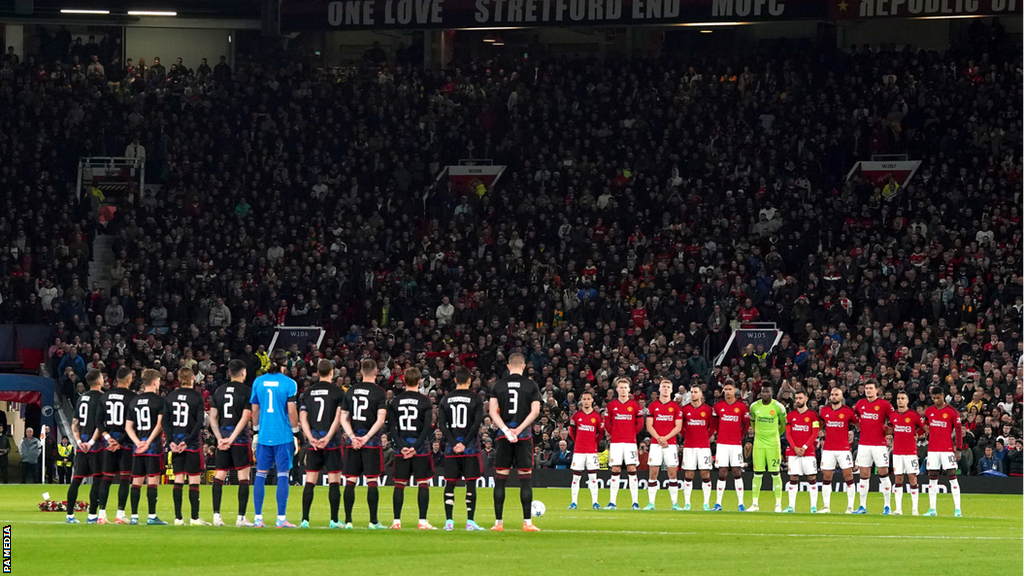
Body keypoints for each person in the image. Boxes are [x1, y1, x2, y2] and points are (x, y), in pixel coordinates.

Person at [488, 352, 542, 531]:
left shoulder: (499, 385)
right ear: (524, 366)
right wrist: (518, 430)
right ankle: (527, 522)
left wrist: (506, 430)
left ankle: (498, 523)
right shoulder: (531, 385)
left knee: (501, 479)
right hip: (523, 435)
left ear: (509, 366)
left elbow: (492, 412)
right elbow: (535, 412)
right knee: (525, 480)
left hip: (504, 437)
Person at [250, 349, 300, 528]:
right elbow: (292, 411)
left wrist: (255, 432)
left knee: (260, 475)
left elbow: (255, 410)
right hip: (283, 435)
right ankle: (280, 518)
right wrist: (295, 434)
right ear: (285, 363)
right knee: (283, 475)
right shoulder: (289, 383)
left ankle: (258, 518)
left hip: (264, 435)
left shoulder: (258, 381)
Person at [340, 358, 388, 529]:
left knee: (350, 481)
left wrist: (353, 437)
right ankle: (373, 521)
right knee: (372, 481)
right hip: (371, 443)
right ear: (376, 372)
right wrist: (366, 437)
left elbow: (343, 418)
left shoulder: (350, 391)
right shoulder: (379, 392)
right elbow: (381, 419)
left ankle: (348, 521)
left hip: (353, 443)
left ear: (360, 372)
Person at [437, 366, 485, 530]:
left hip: (451, 449)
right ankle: (470, 522)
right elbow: (476, 424)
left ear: (455, 380)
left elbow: (442, 425)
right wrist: (464, 443)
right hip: (470, 448)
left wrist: (454, 442)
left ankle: (449, 521)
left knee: (450, 484)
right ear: (470, 380)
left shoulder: (446, 399)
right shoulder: (476, 398)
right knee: (470, 484)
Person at [388, 367, 436, 530]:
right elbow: (427, 428)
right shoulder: (425, 401)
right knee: (423, 483)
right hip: (420, 448)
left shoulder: (395, 401)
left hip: (402, 447)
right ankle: (422, 520)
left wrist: (402, 447)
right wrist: (415, 447)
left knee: (399, 484)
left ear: (404, 381)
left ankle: (396, 521)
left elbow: (392, 428)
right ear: (419, 381)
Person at [298, 360, 344, 529]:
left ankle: (305, 520)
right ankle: (333, 520)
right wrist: (328, 437)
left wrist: (311, 438)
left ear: (317, 372)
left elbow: (303, 417)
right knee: (334, 481)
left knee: (310, 480)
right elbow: (338, 418)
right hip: (331, 443)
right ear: (332, 372)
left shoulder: (308, 392)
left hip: (314, 443)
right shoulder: (338, 392)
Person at [209, 359, 254, 527]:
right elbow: (244, 418)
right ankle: (241, 517)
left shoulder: (219, 391)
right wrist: (233, 438)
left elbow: (213, 416)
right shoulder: (246, 391)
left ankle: (216, 516)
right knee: (243, 477)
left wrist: (220, 437)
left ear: (229, 373)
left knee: (220, 475)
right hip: (239, 439)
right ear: (243, 373)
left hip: (222, 439)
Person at [164, 367, 208, 526]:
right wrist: (187, 441)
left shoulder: (171, 396)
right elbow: (199, 422)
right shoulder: (197, 397)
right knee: (194, 479)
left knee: (178, 479)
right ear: (192, 378)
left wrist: (171, 441)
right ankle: (195, 518)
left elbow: (165, 422)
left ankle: (178, 518)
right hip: (191, 444)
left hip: (175, 444)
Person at [126, 369, 168, 525]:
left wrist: (138, 443)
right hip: (153, 448)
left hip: (138, 448)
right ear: (156, 382)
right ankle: (151, 516)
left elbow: (128, 426)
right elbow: (159, 425)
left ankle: (134, 516)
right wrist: (148, 443)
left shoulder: (134, 401)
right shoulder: (159, 401)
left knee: (136, 481)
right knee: (152, 481)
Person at [96, 368, 136, 523]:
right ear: (128, 379)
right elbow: (135, 424)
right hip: (124, 443)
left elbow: (98, 421)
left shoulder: (105, 396)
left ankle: (102, 514)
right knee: (125, 478)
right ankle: (120, 514)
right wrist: (119, 441)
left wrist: (107, 437)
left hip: (108, 442)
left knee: (106, 478)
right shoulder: (132, 397)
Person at [66, 369, 105, 523]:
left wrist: (79, 441)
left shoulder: (81, 398)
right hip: (95, 446)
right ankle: (92, 515)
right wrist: (90, 443)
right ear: (99, 381)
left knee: (76, 480)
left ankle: (69, 515)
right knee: (97, 480)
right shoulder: (102, 398)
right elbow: (100, 424)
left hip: (81, 445)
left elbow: (74, 423)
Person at [853, 380, 895, 514]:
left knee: (883, 473)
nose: (868, 390)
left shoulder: (884, 404)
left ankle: (887, 506)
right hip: (864, 444)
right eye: (866, 388)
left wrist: (889, 430)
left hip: (879, 445)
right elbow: (856, 419)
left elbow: (894, 419)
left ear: (877, 390)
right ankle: (862, 506)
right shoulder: (860, 404)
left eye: (871, 388)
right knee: (864, 474)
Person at [923, 386, 964, 517]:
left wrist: (958, 449)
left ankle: (958, 509)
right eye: (933, 398)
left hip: (947, 449)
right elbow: (924, 427)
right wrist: (914, 434)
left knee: (952, 476)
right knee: (932, 477)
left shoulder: (952, 411)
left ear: (943, 396)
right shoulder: (928, 411)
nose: (935, 400)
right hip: (933, 450)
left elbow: (958, 431)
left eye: (938, 398)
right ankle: (932, 509)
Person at [644, 379, 683, 510]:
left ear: (671, 390)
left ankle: (674, 503)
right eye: (663, 387)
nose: (666, 389)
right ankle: (651, 503)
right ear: (659, 389)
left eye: (668, 387)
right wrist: (659, 439)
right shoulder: (653, 406)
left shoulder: (676, 407)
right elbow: (649, 426)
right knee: (653, 473)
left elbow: (678, 427)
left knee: (672, 474)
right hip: (656, 444)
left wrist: (665, 438)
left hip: (670, 444)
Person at [818, 387, 858, 514]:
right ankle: (826, 506)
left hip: (844, 449)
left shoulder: (848, 412)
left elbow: (859, 425)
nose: (833, 397)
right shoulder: (824, 411)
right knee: (827, 477)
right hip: (828, 449)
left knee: (848, 476)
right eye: (832, 395)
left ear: (841, 397)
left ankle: (850, 507)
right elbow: (819, 425)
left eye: (836, 395)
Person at [748, 383, 786, 512]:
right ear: (760, 393)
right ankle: (754, 504)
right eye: (763, 392)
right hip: (758, 444)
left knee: (775, 473)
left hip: (773, 445)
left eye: (767, 392)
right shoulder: (754, 407)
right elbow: (753, 423)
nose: (765, 394)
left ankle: (778, 504)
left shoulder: (778, 407)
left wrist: (774, 435)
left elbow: (783, 426)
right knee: (757, 473)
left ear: (772, 392)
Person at [712, 380, 749, 511]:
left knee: (736, 471)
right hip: (722, 443)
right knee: (722, 471)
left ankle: (741, 503)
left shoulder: (742, 406)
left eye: (730, 389)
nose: (727, 392)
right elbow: (715, 423)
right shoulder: (718, 406)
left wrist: (739, 436)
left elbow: (746, 424)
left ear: (734, 390)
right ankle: (718, 503)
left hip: (736, 444)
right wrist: (719, 434)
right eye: (725, 389)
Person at [783, 390, 820, 513]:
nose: (798, 400)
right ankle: (791, 506)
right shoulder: (790, 415)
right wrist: (795, 448)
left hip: (808, 452)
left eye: (800, 398)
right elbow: (788, 434)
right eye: (796, 398)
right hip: (794, 452)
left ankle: (813, 506)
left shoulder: (813, 415)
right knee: (793, 477)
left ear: (806, 399)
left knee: (811, 477)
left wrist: (804, 447)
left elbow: (815, 433)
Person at [889, 391, 924, 515]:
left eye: (902, 398)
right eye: (898, 398)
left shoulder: (913, 415)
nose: (900, 400)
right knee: (898, 478)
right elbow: (890, 428)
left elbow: (925, 427)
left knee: (912, 477)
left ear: (907, 401)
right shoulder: (893, 415)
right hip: (897, 452)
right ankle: (898, 508)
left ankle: (915, 508)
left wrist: (917, 434)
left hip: (910, 452)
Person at [680, 384, 715, 511]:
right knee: (689, 473)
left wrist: (706, 436)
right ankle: (687, 503)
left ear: (701, 394)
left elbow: (712, 426)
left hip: (704, 446)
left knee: (705, 473)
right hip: (689, 446)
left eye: (695, 392)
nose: (693, 394)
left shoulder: (707, 409)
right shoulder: (685, 409)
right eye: (691, 392)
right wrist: (687, 436)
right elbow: (681, 427)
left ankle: (706, 503)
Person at [568, 390, 604, 510]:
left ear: (592, 400)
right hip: (579, 451)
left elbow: (601, 433)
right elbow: (572, 431)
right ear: (581, 400)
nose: (587, 401)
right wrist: (577, 441)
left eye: (589, 399)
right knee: (576, 477)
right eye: (584, 399)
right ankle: (574, 502)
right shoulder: (576, 416)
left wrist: (594, 442)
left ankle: (595, 502)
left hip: (592, 451)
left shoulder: (596, 417)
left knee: (593, 477)